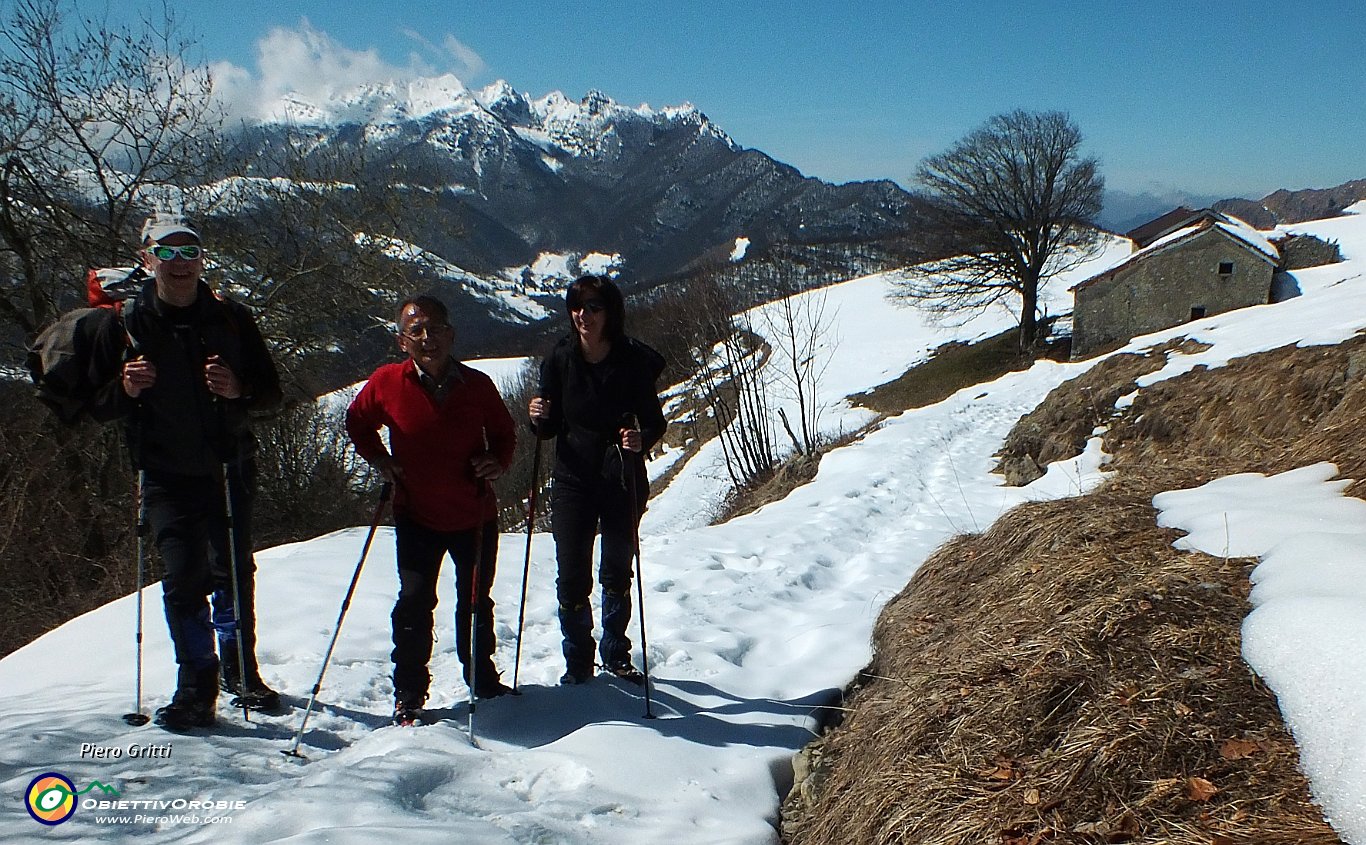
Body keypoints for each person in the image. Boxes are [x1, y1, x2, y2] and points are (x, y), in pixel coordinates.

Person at [89, 212, 283, 730]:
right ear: (147, 259)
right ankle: (197, 681)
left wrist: (239, 390)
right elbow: (95, 405)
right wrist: (125, 390)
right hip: (165, 472)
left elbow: (271, 391)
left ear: (202, 260)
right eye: (167, 253)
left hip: (229, 464)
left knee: (233, 572)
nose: (179, 264)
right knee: (182, 578)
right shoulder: (124, 323)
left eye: (188, 252)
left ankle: (240, 670)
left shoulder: (232, 318)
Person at [346, 295, 517, 724]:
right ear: (402, 341)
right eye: (416, 330)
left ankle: (482, 680)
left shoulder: (476, 385)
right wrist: (380, 460)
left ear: (451, 334)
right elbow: (357, 421)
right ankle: (408, 692)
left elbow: (503, 432)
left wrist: (497, 462)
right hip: (416, 514)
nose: (428, 338)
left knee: (476, 601)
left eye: (435, 328)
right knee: (414, 601)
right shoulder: (386, 382)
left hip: (474, 513)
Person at [529, 275, 666, 685]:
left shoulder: (631, 362)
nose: (583, 314)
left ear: (611, 313)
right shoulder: (560, 359)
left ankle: (615, 656)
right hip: (573, 479)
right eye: (577, 306)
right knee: (571, 574)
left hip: (620, 477)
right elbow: (549, 428)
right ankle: (578, 663)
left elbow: (655, 422)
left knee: (616, 572)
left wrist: (640, 440)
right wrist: (538, 416)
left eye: (593, 306)